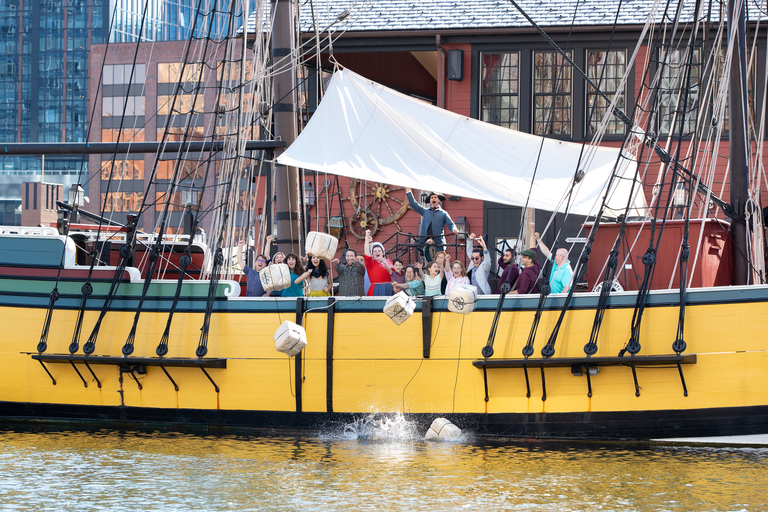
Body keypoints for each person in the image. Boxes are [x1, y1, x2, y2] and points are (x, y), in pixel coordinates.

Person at [405, 188, 459, 252]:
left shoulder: (443, 213)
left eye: (435, 197)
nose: (433, 198)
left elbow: (450, 224)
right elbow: (413, 204)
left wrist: (454, 229)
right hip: (425, 244)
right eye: (432, 197)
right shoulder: (425, 211)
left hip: (438, 245)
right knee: (427, 261)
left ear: (439, 200)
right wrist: (408, 191)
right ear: (430, 200)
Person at [364, 229, 394, 296]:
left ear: (383, 253)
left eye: (379, 251)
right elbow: (366, 252)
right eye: (375, 251)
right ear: (372, 254)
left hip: (389, 288)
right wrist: (366, 237)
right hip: (376, 290)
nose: (377, 252)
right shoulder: (371, 264)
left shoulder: (389, 262)